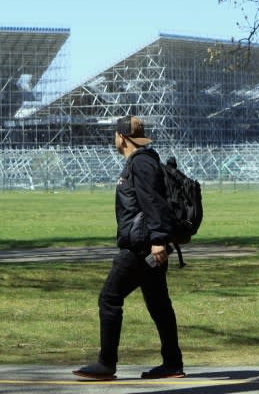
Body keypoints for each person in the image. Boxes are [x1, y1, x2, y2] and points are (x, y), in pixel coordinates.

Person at [73, 115, 184, 381]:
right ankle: (172, 363)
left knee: (109, 298)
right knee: (158, 304)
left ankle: (106, 363)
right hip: (148, 245)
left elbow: (152, 201)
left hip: (141, 247)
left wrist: (158, 240)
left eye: (115, 135)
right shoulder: (141, 161)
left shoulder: (141, 163)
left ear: (121, 137)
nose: (114, 139)